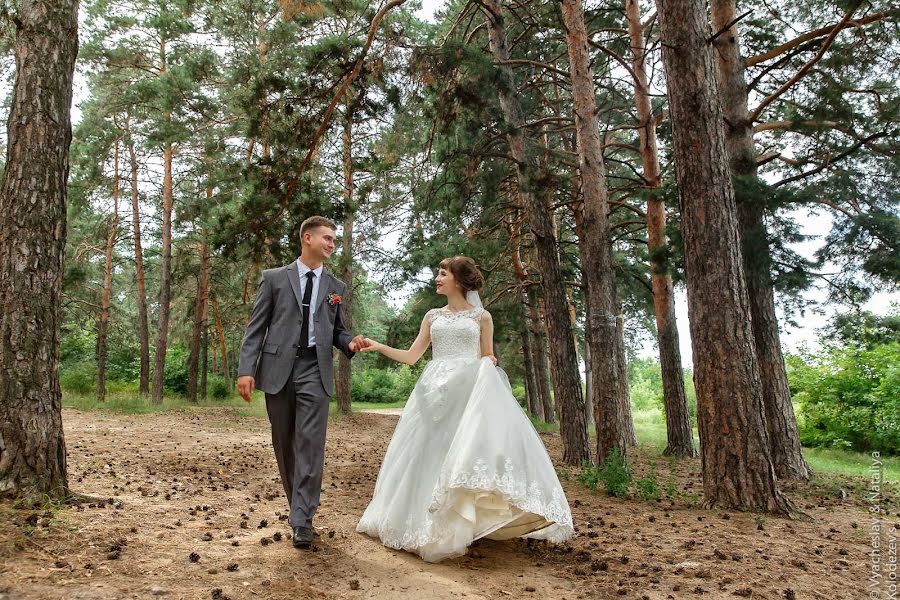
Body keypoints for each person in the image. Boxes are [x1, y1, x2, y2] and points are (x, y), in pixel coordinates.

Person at [355, 256, 574, 562]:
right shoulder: (432, 316)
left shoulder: (482, 317)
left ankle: (459, 522)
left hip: (467, 391)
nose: (437, 278)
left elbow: (487, 357)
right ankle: (423, 521)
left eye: (442, 273)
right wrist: (378, 346)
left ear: (457, 280)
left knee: (461, 453)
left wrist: (489, 365)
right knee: (428, 453)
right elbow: (411, 357)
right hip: (433, 391)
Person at [236, 215, 368, 550]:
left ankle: (302, 520)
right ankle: (298, 505)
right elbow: (256, 328)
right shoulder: (274, 279)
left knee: (310, 445)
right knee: (284, 444)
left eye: (334, 240)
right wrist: (245, 370)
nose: (331, 244)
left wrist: (349, 342)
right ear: (307, 238)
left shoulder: (336, 288)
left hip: (315, 368)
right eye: (326, 238)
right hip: (278, 370)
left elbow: (338, 330)